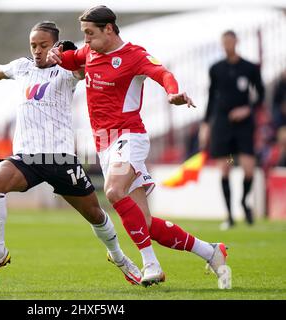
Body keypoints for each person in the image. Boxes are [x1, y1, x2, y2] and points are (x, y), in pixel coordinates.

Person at [47, 5, 228, 287]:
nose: (86, 40)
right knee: (145, 223)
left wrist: (173, 93)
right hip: (105, 145)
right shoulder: (91, 52)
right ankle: (211, 252)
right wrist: (56, 55)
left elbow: (163, 73)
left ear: (109, 29)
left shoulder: (134, 55)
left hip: (129, 137)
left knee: (113, 191)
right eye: (83, 34)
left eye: (90, 33)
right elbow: (71, 59)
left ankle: (151, 264)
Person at [0, 21, 143, 285]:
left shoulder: (66, 71)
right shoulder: (22, 68)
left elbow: (90, 67)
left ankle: (119, 257)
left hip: (60, 160)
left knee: (96, 215)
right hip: (26, 158)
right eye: (33, 45)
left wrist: (72, 55)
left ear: (53, 45)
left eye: (43, 45)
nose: (37, 51)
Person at [199, 30, 265, 230]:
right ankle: (229, 215)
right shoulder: (216, 69)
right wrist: (206, 124)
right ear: (222, 44)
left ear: (236, 41)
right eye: (224, 42)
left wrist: (248, 109)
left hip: (243, 127)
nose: (228, 44)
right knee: (226, 166)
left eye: (230, 41)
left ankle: (244, 202)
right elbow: (211, 97)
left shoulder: (250, 68)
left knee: (248, 168)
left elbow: (261, 94)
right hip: (223, 126)